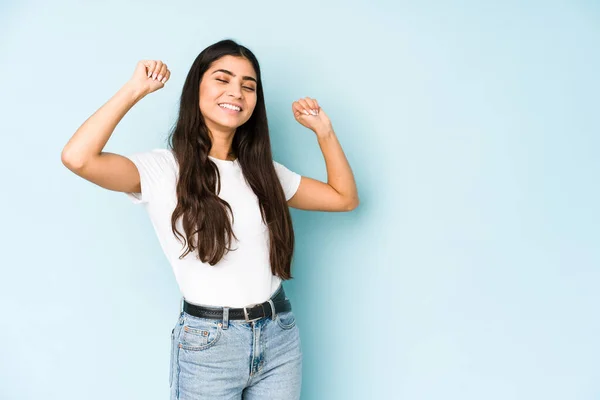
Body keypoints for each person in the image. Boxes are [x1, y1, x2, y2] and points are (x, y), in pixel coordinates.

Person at [61, 39, 359, 400]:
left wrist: (323, 132)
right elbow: (78, 158)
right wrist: (135, 89)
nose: (237, 92)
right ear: (197, 87)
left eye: (249, 86)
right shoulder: (164, 169)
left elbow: (344, 199)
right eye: (223, 78)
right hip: (209, 344)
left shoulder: (265, 173)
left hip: (279, 332)